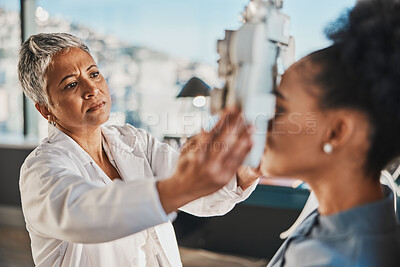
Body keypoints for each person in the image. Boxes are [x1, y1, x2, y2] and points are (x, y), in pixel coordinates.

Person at [17, 33, 260, 267]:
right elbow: (87, 214)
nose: (92, 89)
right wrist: (180, 185)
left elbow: (203, 195)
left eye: (94, 74)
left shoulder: (134, 141)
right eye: (71, 85)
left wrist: (249, 169)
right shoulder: (41, 170)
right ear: (45, 110)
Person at [261, 0, 400, 266]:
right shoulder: (333, 219)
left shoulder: (342, 259)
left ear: (336, 132)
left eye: (280, 110)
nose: (263, 124)